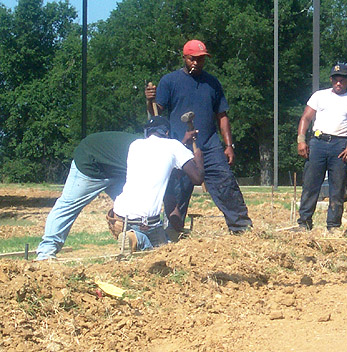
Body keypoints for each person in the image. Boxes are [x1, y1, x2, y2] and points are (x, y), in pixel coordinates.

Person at [144, 39, 252, 235]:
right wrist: (149, 101)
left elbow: (222, 115)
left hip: (210, 146)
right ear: (184, 58)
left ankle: (241, 228)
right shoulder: (170, 81)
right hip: (179, 146)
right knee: (177, 191)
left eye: (201, 60)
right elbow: (156, 116)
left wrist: (229, 145)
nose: (197, 63)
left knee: (225, 184)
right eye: (193, 59)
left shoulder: (212, 83)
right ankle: (173, 232)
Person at [36, 131, 141, 261]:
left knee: (135, 210)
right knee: (68, 205)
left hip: (116, 171)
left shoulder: (154, 152)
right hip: (90, 163)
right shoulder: (151, 155)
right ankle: (46, 253)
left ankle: (137, 244)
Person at [294, 62, 347, 231]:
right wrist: (301, 140)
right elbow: (306, 118)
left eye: (342, 79)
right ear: (331, 79)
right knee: (310, 185)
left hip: (340, 146)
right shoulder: (319, 96)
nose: (339, 83)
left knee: (337, 188)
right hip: (318, 143)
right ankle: (304, 223)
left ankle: (333, 226)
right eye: (336, 79)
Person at [112, 116, 204, 252]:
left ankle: (132, 238)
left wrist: (183, 143)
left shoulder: (135, 145)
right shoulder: (174, 146)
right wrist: (199, 158)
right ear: (167, 133)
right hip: (146, 222)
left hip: (119, 217)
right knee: (159, 254)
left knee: (164, 245)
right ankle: (136, 239)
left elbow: (161, 159)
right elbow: (197, 178)